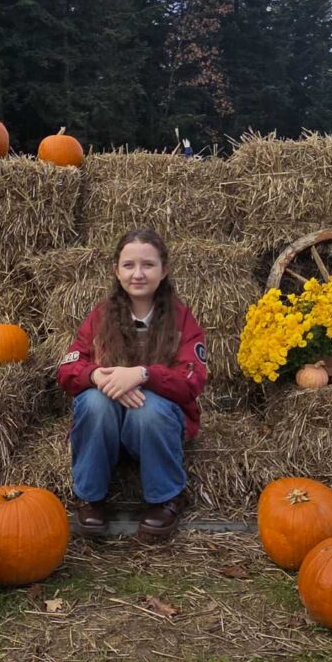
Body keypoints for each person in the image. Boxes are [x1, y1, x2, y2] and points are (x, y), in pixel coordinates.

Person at [57, 228, 207, 540]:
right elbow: (69, 366)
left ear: (164, 270)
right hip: (109, 422)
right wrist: (95, 375)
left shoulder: (181, 319)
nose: (138, 274)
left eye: (148, 265)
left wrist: (143, 375)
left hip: (153, 424)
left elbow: (191, 381)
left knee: (149, 409)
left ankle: (165, 497)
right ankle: (91, 497)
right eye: (128, 265)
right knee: (93, 401)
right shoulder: (100, 316)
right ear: (116, 270)